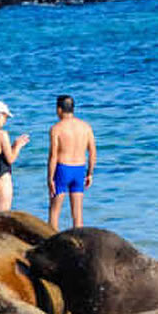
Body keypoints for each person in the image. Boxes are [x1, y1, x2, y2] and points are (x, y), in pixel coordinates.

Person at [47, 94, 96, 229]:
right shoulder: (86, 127)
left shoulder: (56, 128)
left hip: (63, 169)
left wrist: (50, 178)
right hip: (79, 169)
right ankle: (79, 247)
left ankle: (52, 244)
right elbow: (92, 152)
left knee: (54, 211)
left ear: (59, 110)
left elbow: (53, 156)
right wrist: (90, 173)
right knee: (78, 215)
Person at [0, 100, 29, 212]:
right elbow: (10, 159)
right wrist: (18, 145)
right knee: (3, 220)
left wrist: (12, 146)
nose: (6, 121)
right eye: (6, 117)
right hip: (1, 178)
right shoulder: (2, 134)